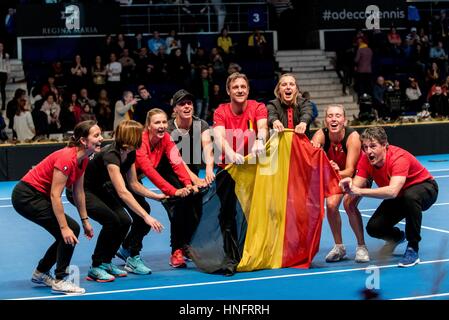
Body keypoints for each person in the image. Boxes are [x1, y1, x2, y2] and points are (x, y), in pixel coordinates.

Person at [11, 120, 102, 295]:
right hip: (26, 196)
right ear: (83, 140)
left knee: (71, 230)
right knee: (69, 231)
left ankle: (40, 273)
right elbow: (55, 195)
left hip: (37, 196)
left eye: (100, 134)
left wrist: (85, 221)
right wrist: (64, 227)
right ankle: (60, 280)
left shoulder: (83, 159)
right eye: (96, 135)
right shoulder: (68, 157)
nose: (101, 139)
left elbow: (79, 191)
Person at [67, 120, 164, 282]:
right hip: (81, 191)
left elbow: (133, 184)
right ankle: (96, 266)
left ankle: (106, 261)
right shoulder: (111, 156)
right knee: (111, 221)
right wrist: (146, 216)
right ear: (130, 137)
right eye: (139, 134)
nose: (142, 137)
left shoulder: (131, 153)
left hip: (98, 189)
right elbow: (122, 192)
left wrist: (157, 196)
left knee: (125, 221)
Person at [340, 127, 438, 267]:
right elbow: (356, 184)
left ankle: (412, 248)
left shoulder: (398, 158)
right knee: (374, 228)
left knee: (411, 196)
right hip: (401, 195)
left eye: (373, 146)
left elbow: (392, 191)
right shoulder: (365, 159)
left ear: (385, 145)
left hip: (426, 188)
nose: (368, 151)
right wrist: (350, 184)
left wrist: (359, 191)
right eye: (365, 147)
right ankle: (397, 237)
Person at [125, 108, 197, 270]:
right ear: (148, 126)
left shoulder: (165, 138)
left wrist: (187, 184)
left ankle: (127, 247)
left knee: (182, 204)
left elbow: (176, 161)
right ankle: (131, 254)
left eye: (164, 122)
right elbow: (149, 170)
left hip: (135, 179)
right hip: (121, 181)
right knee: (139, 213)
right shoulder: (141, 141)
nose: (162, 125)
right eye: (157, 122)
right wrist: (174, 191)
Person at [213, 72, 268, 275]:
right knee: (228, 214)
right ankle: (231, 256)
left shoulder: (258, 107)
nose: (240, 90)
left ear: (248, 89)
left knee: (256, 211)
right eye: (235, 87)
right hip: (228, 168)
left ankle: (254, 252)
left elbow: (262, 127)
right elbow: (218, 136)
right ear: (228, 91)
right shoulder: (220, 111)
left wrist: (260, 142)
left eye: (243, 87)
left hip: (253, 167)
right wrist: (230, 153)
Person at [311, 105, 369, 263]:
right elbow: (310, 160)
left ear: (344, 120)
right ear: (325, 120)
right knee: (330, 205)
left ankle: (361, 247)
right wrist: (313, 152)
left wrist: (329, 168)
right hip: (336, 176)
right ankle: (339, 247)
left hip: (359, 175)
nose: (334, 119)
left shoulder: (352, 137)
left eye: (337, 116)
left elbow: (349, 171)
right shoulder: (321, 134)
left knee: (349, 203)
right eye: (330, 116)